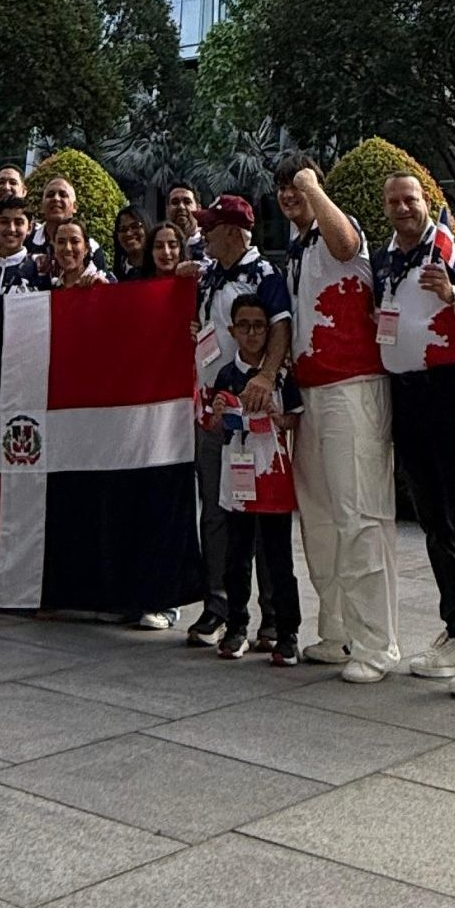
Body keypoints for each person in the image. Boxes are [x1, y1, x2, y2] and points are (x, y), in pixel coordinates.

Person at [371, 174, 455, 698]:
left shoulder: (449, 247)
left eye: (411, 199)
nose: (403, 208)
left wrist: (451, 292)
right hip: (406, 395)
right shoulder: (385, 259)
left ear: (426, 202)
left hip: (451, 390)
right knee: (432, 517)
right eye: (394, 201)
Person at [275, 152, 399, 683]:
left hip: (353, 387)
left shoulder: (340, 232)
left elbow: (346, 244)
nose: (290, 194)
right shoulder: (297, 250)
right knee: (321, 517)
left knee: (360, 514)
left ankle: (377, 643)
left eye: (297, 184)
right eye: (282, 187)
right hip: (313, 391)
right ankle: (338, 630)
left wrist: (311, 186)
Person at [184, 193, 292, 648]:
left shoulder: (264, 273)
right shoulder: (208, 274)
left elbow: (282, 326)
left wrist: (267, 376)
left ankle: (271, 617)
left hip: (255, 410)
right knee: (217, 509)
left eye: (209, 228)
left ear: (232, 232)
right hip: (215, 409)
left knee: (265, 515)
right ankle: (219, 605)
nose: (202, 235)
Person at [202, 296, 304, 665]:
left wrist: (278, 417)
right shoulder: (226, 374)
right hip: (238, 478)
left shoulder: (280, 374)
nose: (251, 333)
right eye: (243, 326)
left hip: (272, 476)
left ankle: (286, 630)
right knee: (236, 556)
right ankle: (236, 625)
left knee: (278, 558)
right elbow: (212, 424)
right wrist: (216, 413)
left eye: (259, 325)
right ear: (232, 331)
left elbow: (294, 418)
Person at [29, 177, 109, 270]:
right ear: (42, 206)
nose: (56, 198)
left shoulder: (92, 247)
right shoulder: (27, 242)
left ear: (75, 207)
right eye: (50, 195)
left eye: (63, 195)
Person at [50, 220, 110, 288]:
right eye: (61, 242)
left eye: (75, 241)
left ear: (86, 248)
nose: (68, 248)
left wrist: (105, 290)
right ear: (54, 248)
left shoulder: (103, 281)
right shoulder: (53, 287)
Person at [165, 180, 208, 262]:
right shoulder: (160, 246)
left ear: (198, 208)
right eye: (175, 202)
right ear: (167, 209)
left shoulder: (210, 244)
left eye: (187, 202)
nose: (181, 207)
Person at [110, 206, 150, 281]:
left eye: (135, 226)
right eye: (123, 229)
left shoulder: (161, 268)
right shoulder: (115, 277)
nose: (128, 233)